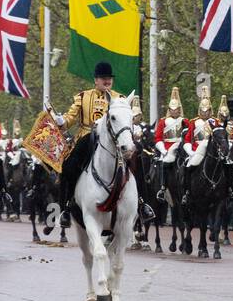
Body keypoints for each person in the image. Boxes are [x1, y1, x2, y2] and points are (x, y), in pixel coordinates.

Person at [46, 61, 154, 229]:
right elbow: (69, 120)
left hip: (114, 140)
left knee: (137, 160)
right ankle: (66, 207)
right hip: (88, 136)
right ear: (96, 80)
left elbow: (127, 121)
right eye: (103, 78)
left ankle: (142, 203)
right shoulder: (83, 97)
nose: (107, 81)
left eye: (109, 78)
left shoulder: (120, 98)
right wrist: (62, 121)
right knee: (68, 165)